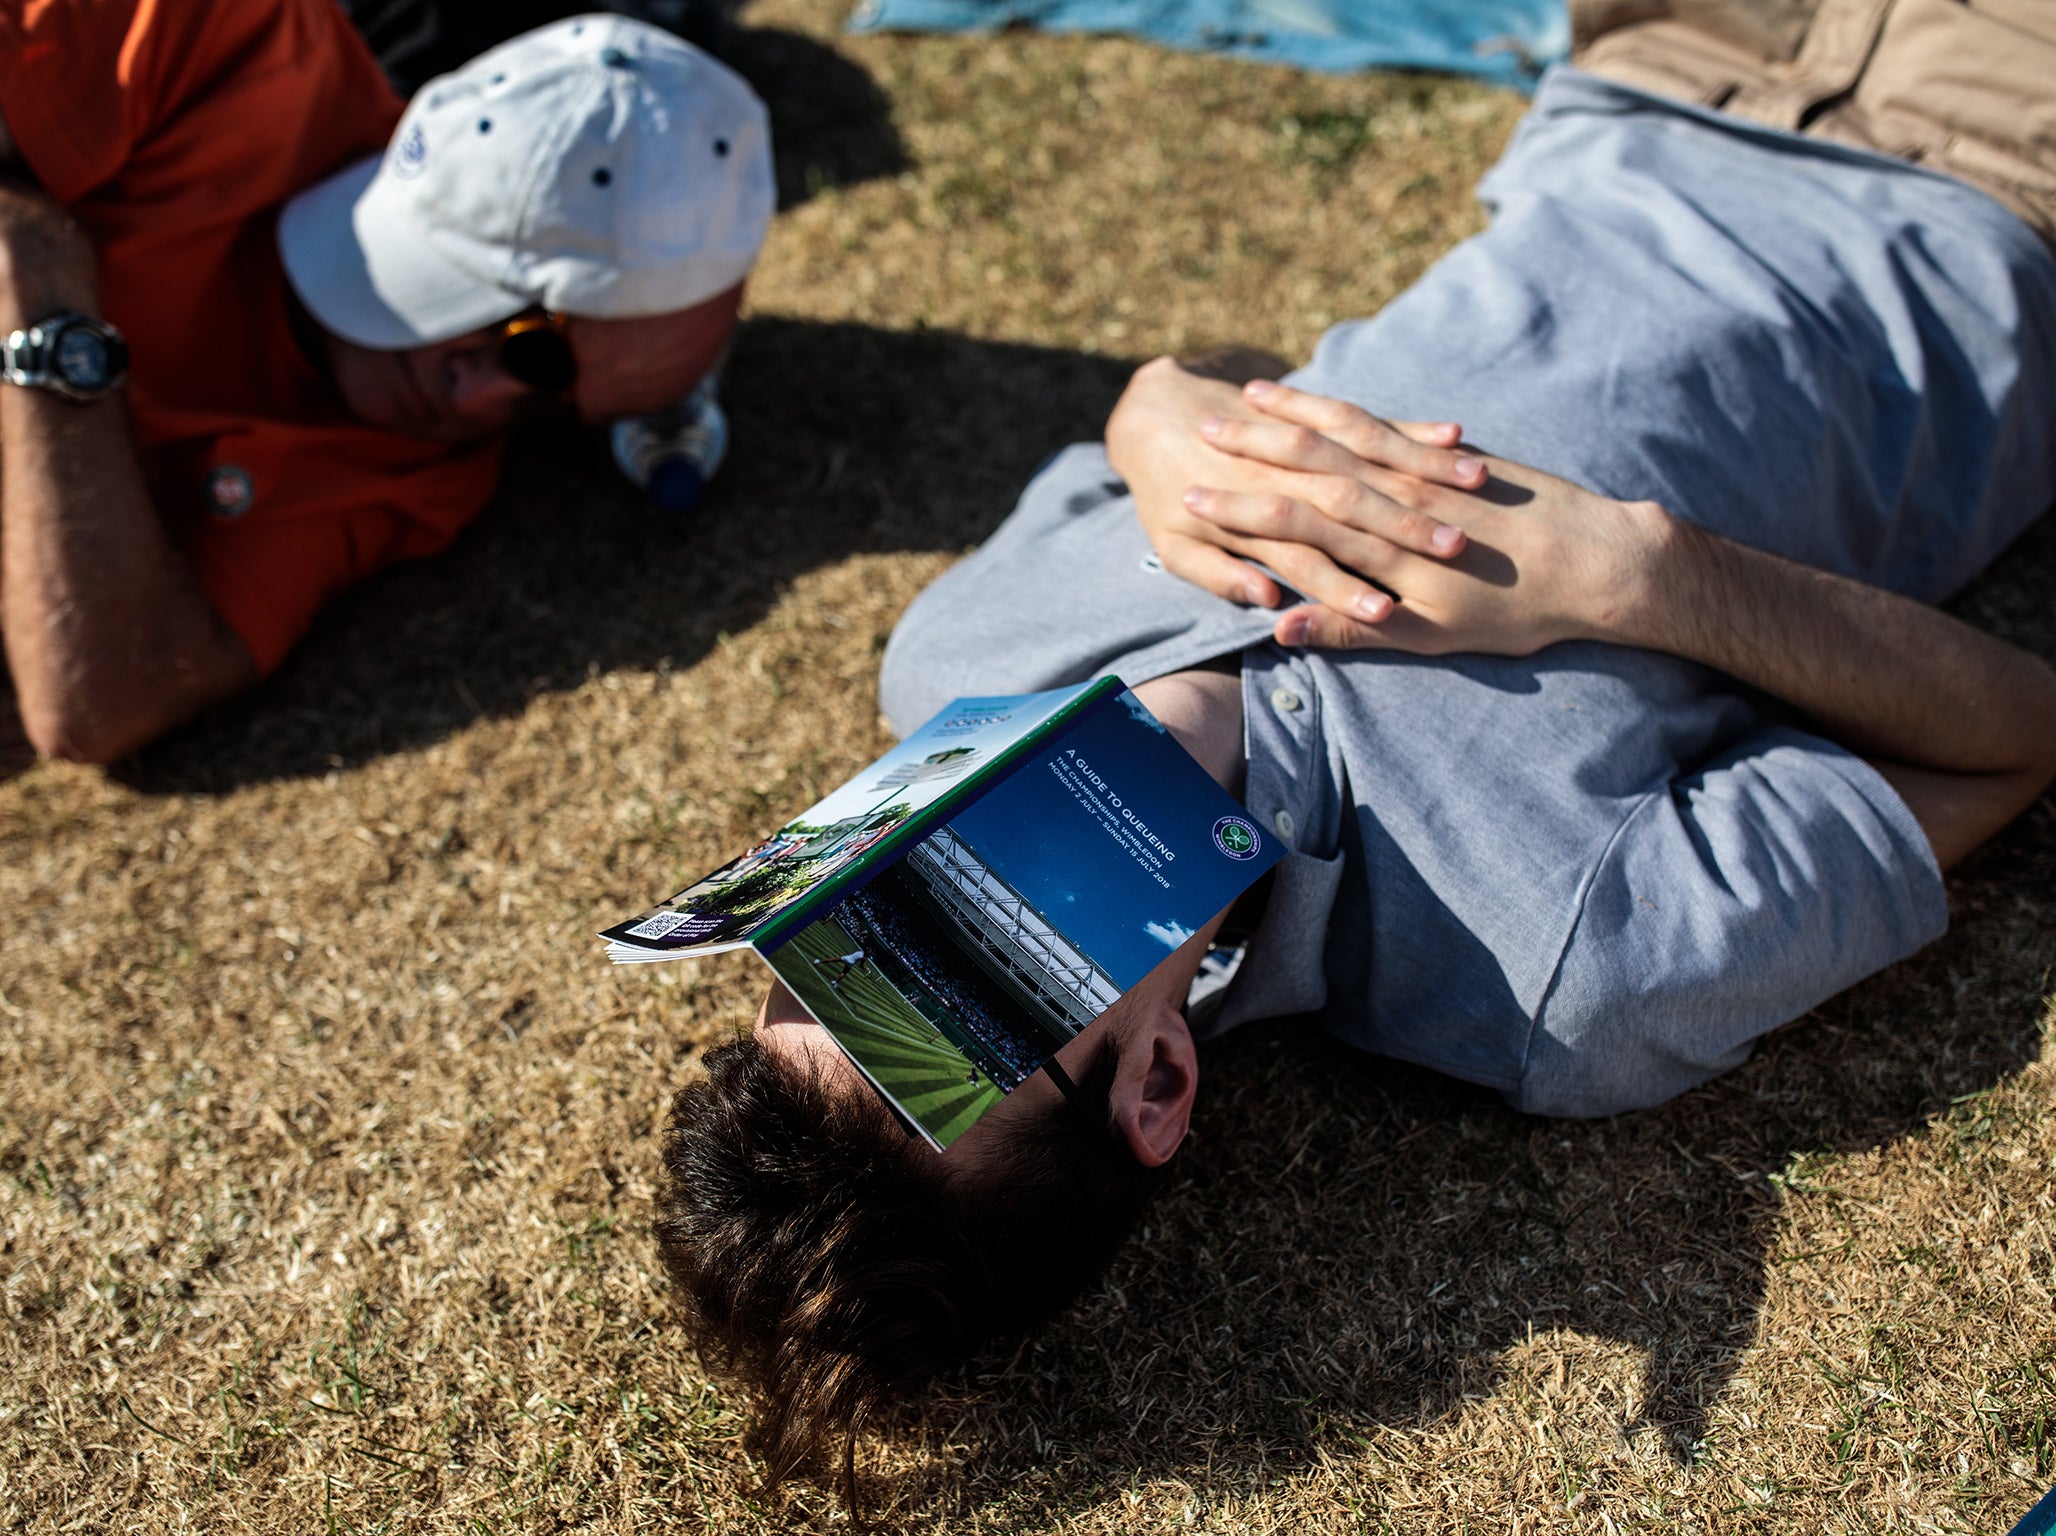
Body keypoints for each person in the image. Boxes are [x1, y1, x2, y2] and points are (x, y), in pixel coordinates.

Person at [652, 0, 2056, 1501]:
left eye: (829, 954)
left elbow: (1245, 372)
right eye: (969, 983)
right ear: (1156, 1084)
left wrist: (1152, 415)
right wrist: (1645, 579)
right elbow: (2015, 742)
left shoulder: (956, 656)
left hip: (1652, 63)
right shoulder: (1563, 967)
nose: (917, 880)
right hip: (1988, 181)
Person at [0, 2, 772, 763]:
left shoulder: (416, 475)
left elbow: (99, 698)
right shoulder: (225, 39)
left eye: (548, 413)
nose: (474, 404)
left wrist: (44, 301)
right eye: (533, 348)